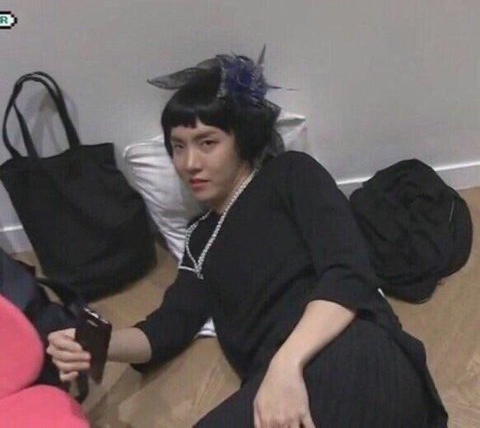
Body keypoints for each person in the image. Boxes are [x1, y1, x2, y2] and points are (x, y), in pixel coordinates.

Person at [47, 51, 448, 427]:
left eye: (207, 143)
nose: (189, 163)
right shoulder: (199, 240)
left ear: (240, 141)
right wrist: (99, 345)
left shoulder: (290, 174)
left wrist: (286, 365)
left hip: (349, 349)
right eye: (177, 147)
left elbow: (349, 275)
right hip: (276, 381)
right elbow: (164, 331)